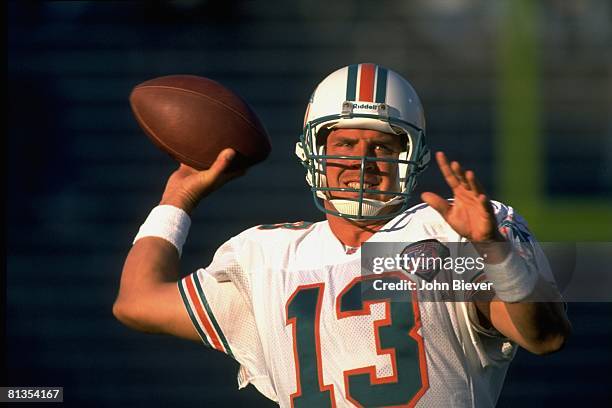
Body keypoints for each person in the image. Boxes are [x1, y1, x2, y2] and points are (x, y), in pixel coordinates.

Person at [113, 63, 571, 407]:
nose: (363, 162)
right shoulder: (267, 257)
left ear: (410, 158)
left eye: (382, 146)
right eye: (345, 145)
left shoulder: (450, 232)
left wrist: (495, 253)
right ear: (315, 153)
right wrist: (177, 198)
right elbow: (137, 300)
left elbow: (545, 337)